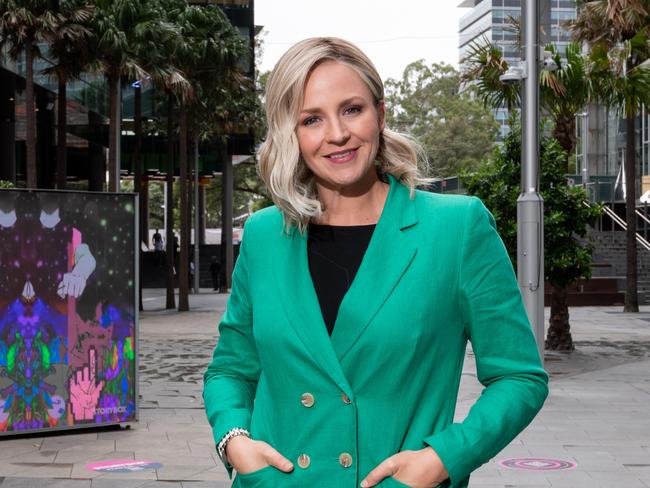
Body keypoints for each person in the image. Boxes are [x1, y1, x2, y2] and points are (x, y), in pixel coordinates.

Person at [203, 37, 548, 488]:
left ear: (380, 114)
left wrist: (443, 458)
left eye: (352, 109)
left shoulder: (456, 228)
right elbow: (231, 367)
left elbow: (519, 376)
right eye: (312, 119)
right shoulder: (265, 234)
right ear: (293, 133)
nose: (337, 134)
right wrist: (234, 441)